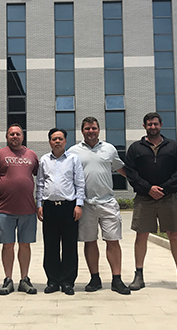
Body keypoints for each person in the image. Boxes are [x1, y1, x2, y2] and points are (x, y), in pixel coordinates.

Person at [124, 112, 177, 292]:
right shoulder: (135, 148)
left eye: (155, 124)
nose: (153, 127)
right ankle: (138, 275)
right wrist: (148, 188)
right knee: (141, 235)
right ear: (144, 126)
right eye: (149, 124)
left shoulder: (173, 147)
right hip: (144, 198)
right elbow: (131, 173)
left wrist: (164, 188)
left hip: (169, 197)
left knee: (174, 235)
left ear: (161, 125)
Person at [68, 117, 130, 295]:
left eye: (94, 128)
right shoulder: (73, 151)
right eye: (87, 128)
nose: (91, 131)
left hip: (107, 202)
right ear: (82, 131)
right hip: (85, 204)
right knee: (90, 241)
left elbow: (122, 169)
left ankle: (117, 279)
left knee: (113, 240)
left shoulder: (109, 149)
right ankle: (94, 278)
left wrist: (143, 184)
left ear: (99, 129)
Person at [0, 124, 39, 296]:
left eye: (17, 134)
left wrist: (40, 203)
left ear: (22, 137)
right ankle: (8, 279)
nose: (15, 136)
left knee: (25, 245)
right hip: (5, 209)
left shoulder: (31, 155)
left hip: (28, 209)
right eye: (11, 134)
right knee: (8, 245)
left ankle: (24, 279)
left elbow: (41, 178)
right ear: (7, 137)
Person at [36, 128, 85, 295]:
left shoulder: (73, 159)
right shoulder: (44, 160)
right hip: (49, 207)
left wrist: (79, 205)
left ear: (65, 141)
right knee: (51, 245)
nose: (57, 141)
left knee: (70, 245)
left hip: (69, 207)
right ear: (50, 141)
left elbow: (79, 183)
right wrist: (39, 204)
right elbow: (40, 183)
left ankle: (67, 282)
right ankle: (53, 280)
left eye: (60, 138)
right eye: (54, 139)